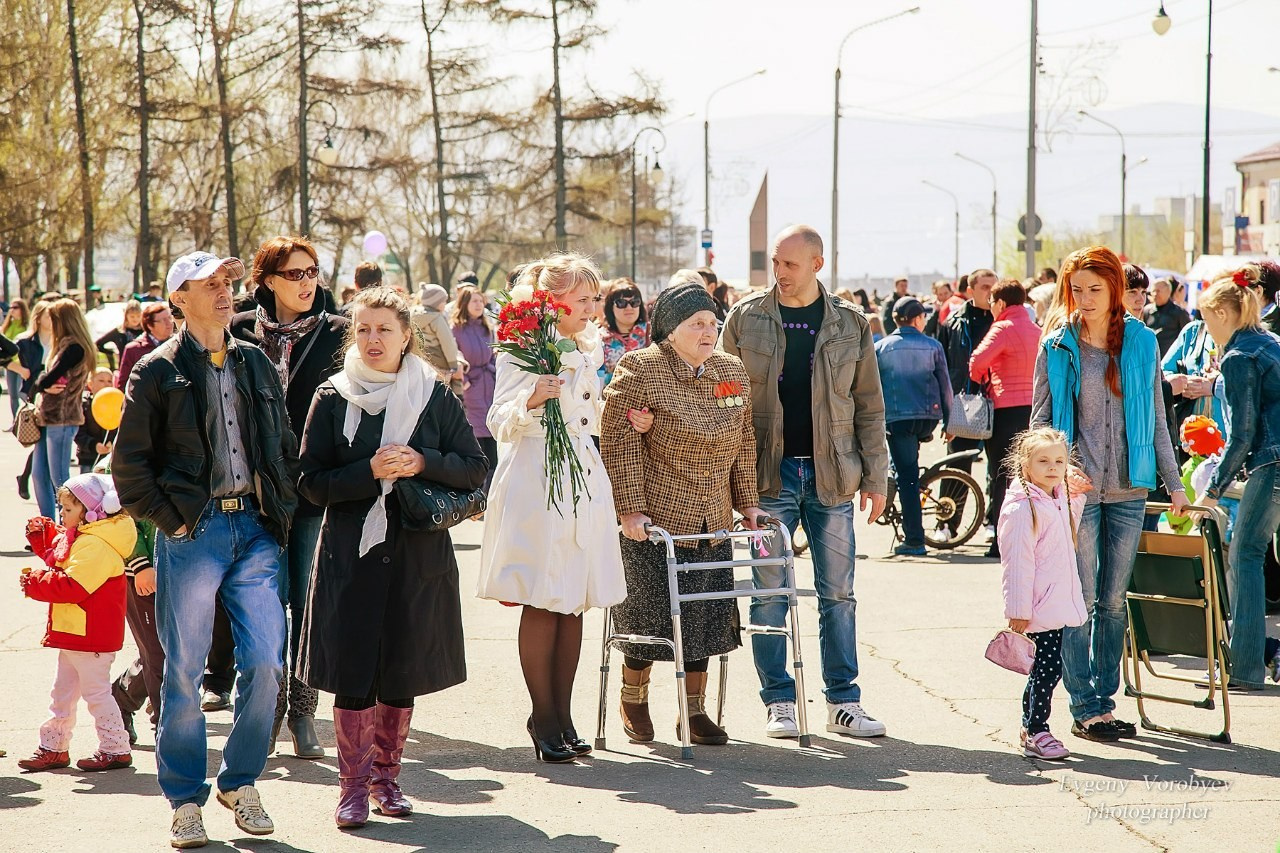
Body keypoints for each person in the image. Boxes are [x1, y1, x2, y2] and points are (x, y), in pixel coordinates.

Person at [114, 251, 297, 848]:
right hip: (194, 533)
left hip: (256, 531)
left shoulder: (254, 362)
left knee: (268, 661)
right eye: (208, 284)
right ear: (179, 300)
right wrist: (174, 525)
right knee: (185, 670)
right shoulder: (156, 371)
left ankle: (239, 782)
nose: (224, 291)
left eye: (226, 282)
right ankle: (185, 798)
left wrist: (281, 516)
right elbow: (130, 468)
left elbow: (282, 446)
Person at [296, 286, 488, 827]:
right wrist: (369, 473)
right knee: (354, 672)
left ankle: (387, 780)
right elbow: (309, 484)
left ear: (407, 336)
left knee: (401, 667)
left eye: (384, 329)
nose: (373, 339)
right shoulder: (332, 396)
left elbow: (474, 468)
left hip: (416, 552)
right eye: (363, 329)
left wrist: (421, 461)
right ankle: (351, 789)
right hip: (350, 554)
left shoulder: (434, 394)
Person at [720, 225, 890, 739]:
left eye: (790, 264)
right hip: (766, 477)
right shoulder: (746, 318)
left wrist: (877, 477)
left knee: (838, 593)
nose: (780, 273)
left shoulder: (849, 323)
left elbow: (869, 406)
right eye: (776, 263)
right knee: (769, 593)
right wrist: (729, 478)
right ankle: (779, 702)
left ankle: (844, 702)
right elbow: (720, 396)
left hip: (832, 476)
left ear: (817, 264)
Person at [1031, 246, 1188, 744]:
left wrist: (1176, 484)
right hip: (1074, 491)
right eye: (1076, 289)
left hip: (1129, 486)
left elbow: (1159, 420)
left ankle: (1105, 697)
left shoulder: (1141, 342)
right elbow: (1039, 419)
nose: (1084, 298)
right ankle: (1087, 706)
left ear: (1116, 290)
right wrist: (1043, 480)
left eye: (1094, 289)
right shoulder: (1057, 344)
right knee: (1077, 600)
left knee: (1113, 601)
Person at [478, 253, 627, 764]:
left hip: (582, 475)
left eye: (593, 298)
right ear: (551, 302)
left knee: (575, 600)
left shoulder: (587, 344)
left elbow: (588, 414)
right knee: (544, 597)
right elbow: (498, 417)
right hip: (539, 477)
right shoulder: (521, 348)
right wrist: (533, 400)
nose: (592, 308)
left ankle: (563, 716)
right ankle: (543, 717)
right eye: (583, 300)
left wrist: (619, 416)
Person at [601, 282, 765, 746]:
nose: (708, 332)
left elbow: (743, 439)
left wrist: (747, 501)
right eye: (697, 324)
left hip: (711, 515)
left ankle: (694, 711)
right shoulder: (641, 368)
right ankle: (634, 695)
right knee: (648, 616)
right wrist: (630, 509)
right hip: (656, 518)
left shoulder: (729, 369)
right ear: (671, 330)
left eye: (713, 323)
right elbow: (620, 441)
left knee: (706, 619)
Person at [230, 235, 349, 760]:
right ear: (268, 280)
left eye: (312, 272)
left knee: (307, 602)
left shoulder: (336, 333)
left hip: (309, 492)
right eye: (294, 274)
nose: (306, 283)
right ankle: (262, 707)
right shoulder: (239, 332)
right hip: (250, 490)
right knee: (257, 605)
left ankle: (302, 712)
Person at [17, 474, 137, 772]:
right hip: (76, 632)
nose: (62, 514)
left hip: (90, 634)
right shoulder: (85, 538)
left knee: (96, 694)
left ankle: (115, 747)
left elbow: (72, 585)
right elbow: (60, 550)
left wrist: (35, 582)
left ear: (90, 512)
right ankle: (54, 746)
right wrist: (44, 534)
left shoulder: (95, 545)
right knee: (63, 694)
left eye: (68, 510)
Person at [1195, 270, 1280, 691]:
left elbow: (1242, 434)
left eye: (1207, 319)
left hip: (1272, 463)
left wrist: (1212, 491)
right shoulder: (1269, 343)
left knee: (1244, 555)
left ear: (1224, 313)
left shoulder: (1239, 356)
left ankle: (1245, 666)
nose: (1205, 328)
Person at [997, 427, 1088, 760]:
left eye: (1060, 461)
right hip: (1036, 607)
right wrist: (1018, 610)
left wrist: (1076, 496)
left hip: (1054, 602)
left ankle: (1033, 727)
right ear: (1025, 465)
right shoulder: (1022, 508)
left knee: (1047, 669)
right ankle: (1036, 731)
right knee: (1046, 670)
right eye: (1044, 461)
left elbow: (1066, 532)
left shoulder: (1055, 497)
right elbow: (1017, 564)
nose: (1053, 467)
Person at [874, 296, 951, 557]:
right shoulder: (933, 346)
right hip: (928, 418)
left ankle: (915, 539)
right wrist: (949, 421)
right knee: (907, 470)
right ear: (918, 319)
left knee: (907, 478)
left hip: (897, 419)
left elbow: (871, 390)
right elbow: (945, 388)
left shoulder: (881, 348)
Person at [969, 279, 1039, 558]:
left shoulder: (1002, 328)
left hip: (1005, 410)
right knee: (1029, 476)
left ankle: (1001, 541)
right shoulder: (1037, 329)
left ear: (1000, 303)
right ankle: (1029, 539)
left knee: (1001, 477)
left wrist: (985, 378)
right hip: (1033, 410)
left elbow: (976, 362)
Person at [937, 269, 996, 532]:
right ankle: (947, 523)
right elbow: (943, 368)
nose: (991, 292)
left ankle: (992, 522)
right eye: (985, 287)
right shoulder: (954, 321)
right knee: (958, 464)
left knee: (999, 466)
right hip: (965, 401)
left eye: (994, 287)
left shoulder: (1001, 320)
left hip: (998, 401)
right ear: (970, 291)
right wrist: (945, 413)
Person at [32, 299, 96, 520]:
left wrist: (41, 383)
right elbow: (43, 380)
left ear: (63, 321)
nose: (50, 323)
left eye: (53, 318)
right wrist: (41, 383)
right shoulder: (64, 345)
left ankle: (66, 526)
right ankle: (48, 524)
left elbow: (44, 379)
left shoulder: (74, 347)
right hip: (47, 418)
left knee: (60, 478)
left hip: (62, 418)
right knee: (39, 474)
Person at [451, 284, 499, 493]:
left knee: (494, 436)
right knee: (478, 438)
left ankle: (491, 492)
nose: (479, 305)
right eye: (475, 301)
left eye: (481, 300)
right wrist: (467, 380)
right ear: (465, 304)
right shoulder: (456, 328)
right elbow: (455, 356)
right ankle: (477, 490)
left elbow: (494, 353)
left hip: (491, 383)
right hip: (472, 387)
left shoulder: (487, 327)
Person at [411, 284, 463, 390]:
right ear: (436, 302)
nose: (445, 304)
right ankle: (458, 398)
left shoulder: (412, 314)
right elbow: (447, 342)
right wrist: (453, 364)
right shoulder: (437, 318)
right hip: (440, 360)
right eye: (443, 301)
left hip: (422, 358)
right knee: (448, 387)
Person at [599, 278, 649, 386]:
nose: (629, 307)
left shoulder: (652, 334)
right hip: (611, 399)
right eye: (621, 303)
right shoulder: (599, 338)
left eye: (634, 302)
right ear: (610, 307)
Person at [115, 302, 176, 390]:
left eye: (170, 318)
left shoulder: (180, 344)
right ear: (150, 325)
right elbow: (124, 385)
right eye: (163, 320)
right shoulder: (133, 350)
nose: (169, 323)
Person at [75, 368, 115, 475]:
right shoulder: (84, 405)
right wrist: (93, 445)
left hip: (109, 457)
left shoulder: (116, 405)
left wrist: (112, 442)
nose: (106, 384)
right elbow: (78, 433)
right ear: (90, 384)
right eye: (101, 381)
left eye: (109, 381)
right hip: (88, 456)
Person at [1143, 276, 1191, 356]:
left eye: (1158, 291)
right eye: (1153, 291)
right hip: (1151, 356)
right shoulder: (1147, 311)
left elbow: (1188, 336)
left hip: (1169, 360)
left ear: (1168, 292)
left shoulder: (1179, 312)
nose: (1155, 294)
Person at [95, 300, 144, 372]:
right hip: (125, 369)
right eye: (132, 316)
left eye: (138, 316)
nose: (135, 319)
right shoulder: (119, 331)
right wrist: (111, 353)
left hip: (143, 369)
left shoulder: (146, 331)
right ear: (126, 315)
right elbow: (98, 344)